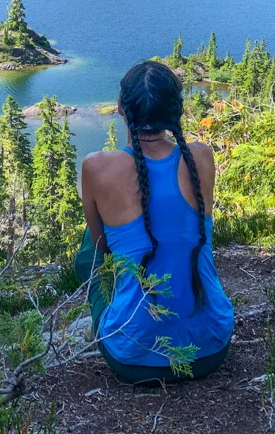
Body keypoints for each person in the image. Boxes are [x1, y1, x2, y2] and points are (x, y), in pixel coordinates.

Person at [76, 60, 234, 384]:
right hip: (212, 348)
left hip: (132, 358)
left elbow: (102, 250)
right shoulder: (200, 157)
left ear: (121, 108)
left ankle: (125, 311)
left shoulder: (97, 167)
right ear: (175, 111)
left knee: (88, 246)